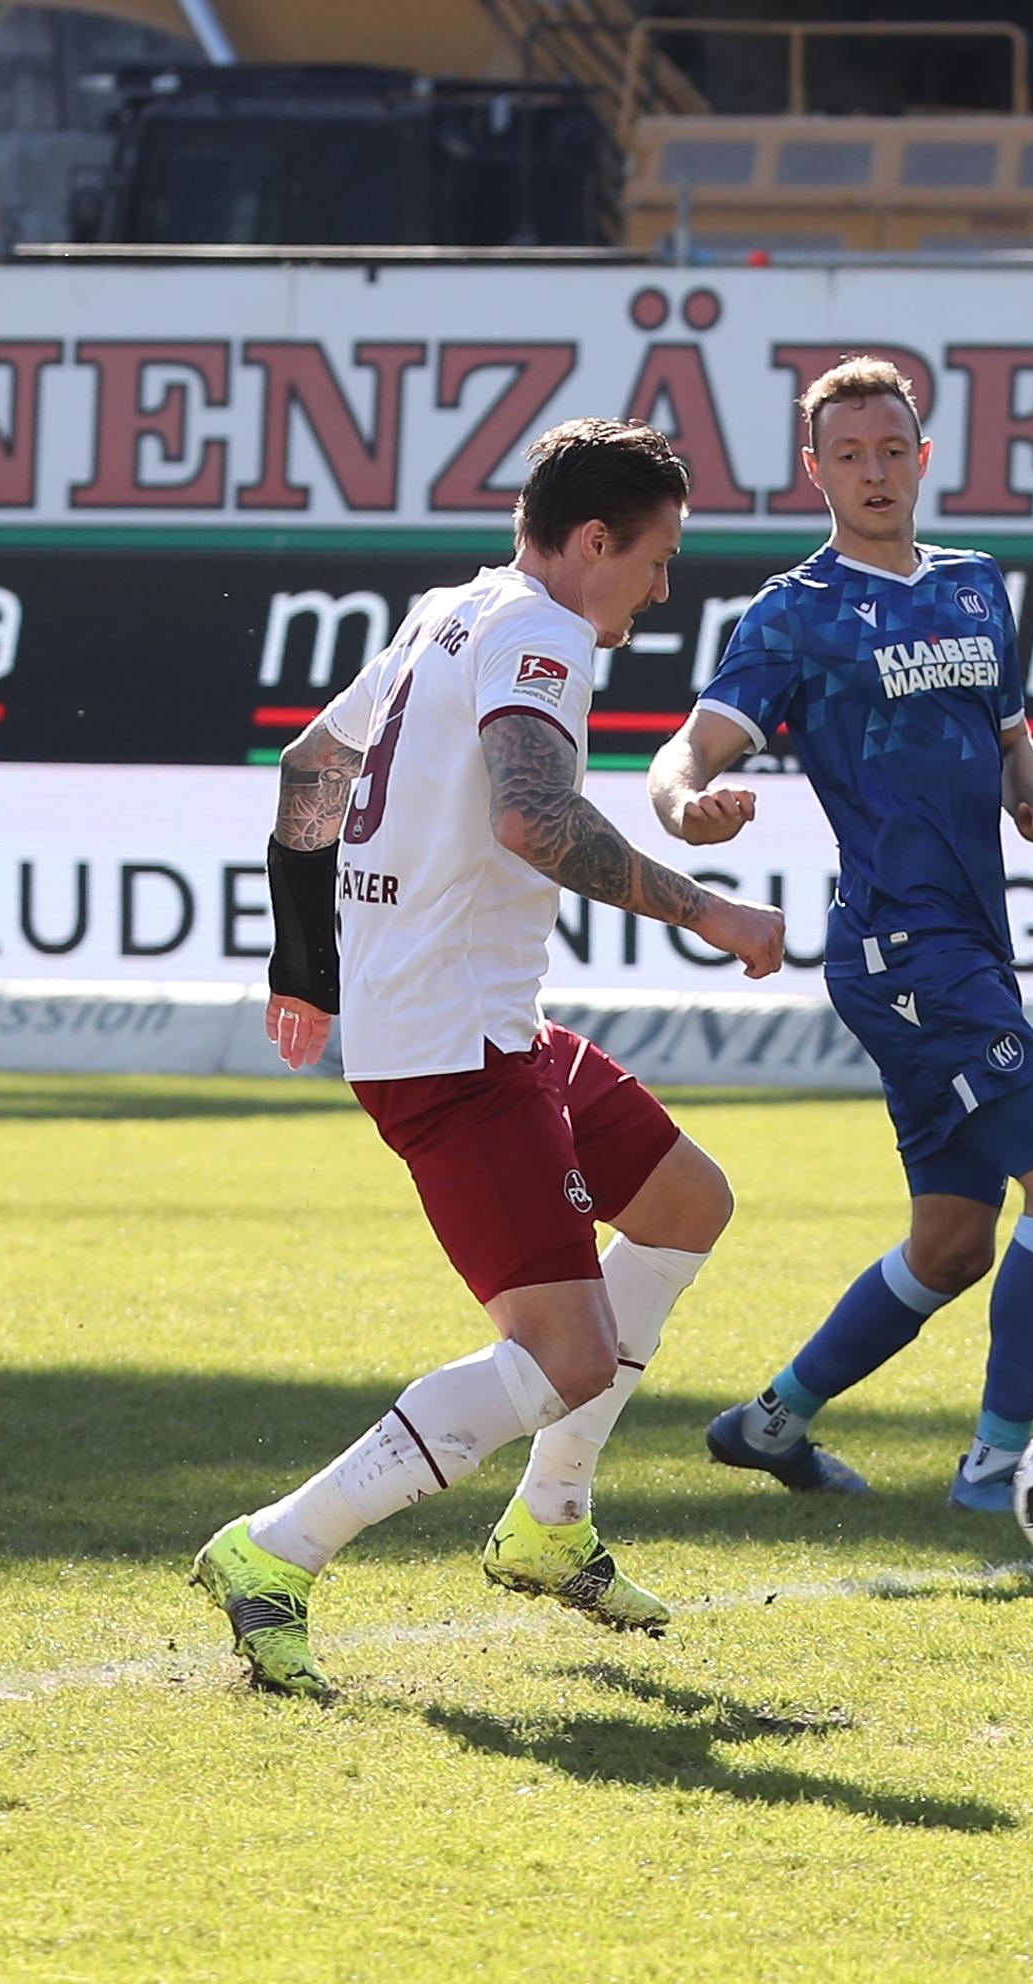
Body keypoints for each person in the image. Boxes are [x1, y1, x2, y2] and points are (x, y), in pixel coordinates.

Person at [192, 418, 788, 1699]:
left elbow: (312, 769)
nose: (660, 586)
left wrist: (306, 967)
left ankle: (547, 1525)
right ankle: (274, 1551)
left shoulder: (452, 610)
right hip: (456, 1054)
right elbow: (533, 817)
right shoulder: (539, 631)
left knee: (689, 1202)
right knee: (564, 1353)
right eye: (657, 558)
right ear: (591, 542)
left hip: (484, 1027)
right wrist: (715, 913)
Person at [648, 356, 1033, 1507]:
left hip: (967, 943)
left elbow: (1009, 738)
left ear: (922, 456)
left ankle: (769, 1425)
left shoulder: (974, 586)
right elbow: (688, 747)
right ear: (814, 471)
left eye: (890, 450)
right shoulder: (797, 613)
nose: (872, 471)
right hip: (905, 954)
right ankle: (999, 1467)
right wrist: (680, 806)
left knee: (954, 1243)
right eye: (847, 455)